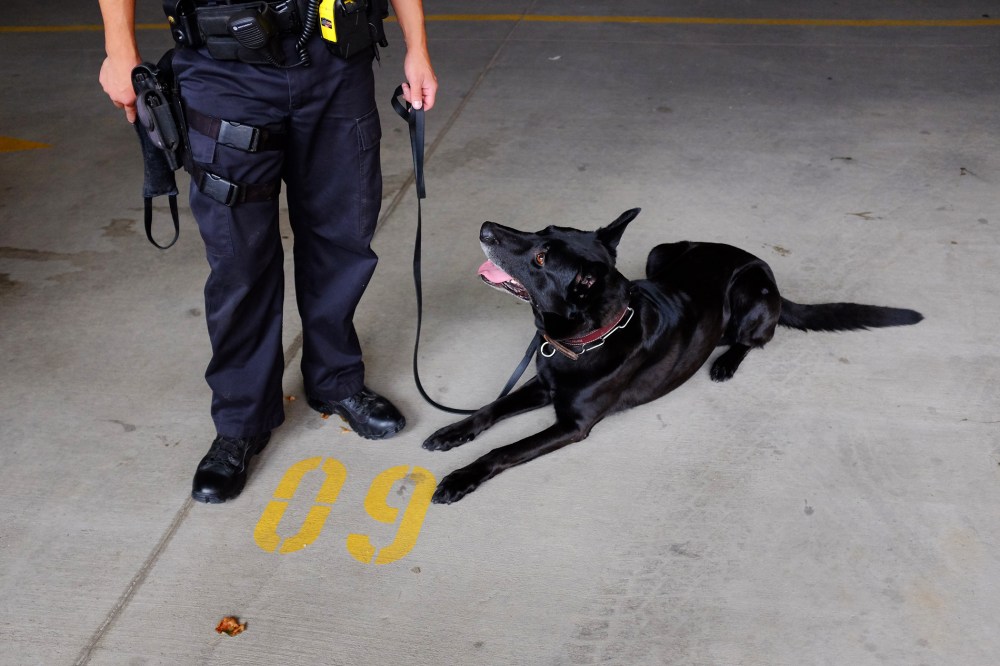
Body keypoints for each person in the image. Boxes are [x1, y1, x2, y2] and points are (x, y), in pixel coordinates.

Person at [98, 0, 437, 503]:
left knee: (342, 238)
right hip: (224, 69)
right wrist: (119, 47)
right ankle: (242, 419)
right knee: (239, 260)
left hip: (336, 61)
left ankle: (335, 380)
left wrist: (417, 46)